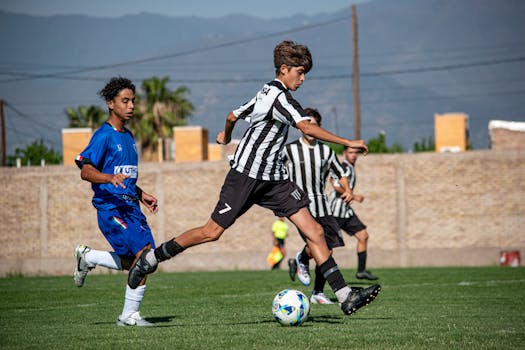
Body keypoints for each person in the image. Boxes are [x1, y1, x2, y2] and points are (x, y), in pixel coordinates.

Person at [128, 40, 380, 316]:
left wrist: (225, 135)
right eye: (300, 72)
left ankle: (345, 296)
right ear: (284, 69)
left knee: (316, 231)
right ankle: (151, 259)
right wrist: (347, 141)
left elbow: (232, 115)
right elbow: (306, 126)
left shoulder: (265, 92)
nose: (303, 78)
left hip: (274, 180)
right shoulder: (279, 97)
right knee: (211, 232)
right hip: (245, 176)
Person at [74, 77, 158, 326]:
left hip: (130, 208)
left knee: (144, 261)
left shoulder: (128, 136)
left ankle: (89, 258)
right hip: (111, 208)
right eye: (125, 101)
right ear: (111, 103)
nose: (131, 105)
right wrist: (108, 177)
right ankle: (129, 316)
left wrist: (141, 194)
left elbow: (126, 176)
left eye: (133, 100)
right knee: (144, 257)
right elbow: (85, 170)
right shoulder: (104, 136)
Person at [284, 108, 353, 305]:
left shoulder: (326, 150)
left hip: (323, 205)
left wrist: (347, 190)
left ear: (319, 127)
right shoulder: (289, 150)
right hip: (300, 207)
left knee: (328, 250)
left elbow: (339, 173)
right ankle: (316, 285)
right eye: (306, 124)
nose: (309, 128)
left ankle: (309, 274)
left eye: (313, 124)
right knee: (320, 245)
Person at [329, 146, 379, 280]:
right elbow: (334, 183)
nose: (353, 155)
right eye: (350, 152)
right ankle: (301, 259)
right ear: (344, 153)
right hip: (335, 211)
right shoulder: (344, 167)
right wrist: (354, 196)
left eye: (356, 152)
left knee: (363, 236)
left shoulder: (350, 168)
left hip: (346, 211)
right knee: (323, 244)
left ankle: (361, 271)